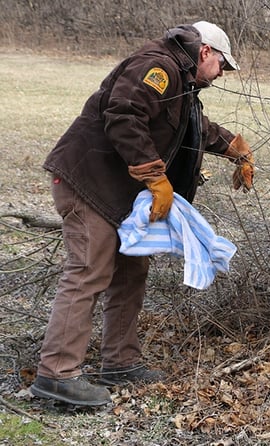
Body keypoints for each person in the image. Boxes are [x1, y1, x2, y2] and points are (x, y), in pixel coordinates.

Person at [29, 21, 254, 406]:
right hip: (89, 184)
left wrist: (234, 147)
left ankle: (120, 362)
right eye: (222, 65)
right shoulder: (158, 66)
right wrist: (154, 174)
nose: (222, 75)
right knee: (88, 272)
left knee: (132, 271)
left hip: (116, 194)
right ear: (204, 53)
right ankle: (57, 375)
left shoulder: (180, 81)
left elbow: (190, 127)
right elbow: (124, 113)